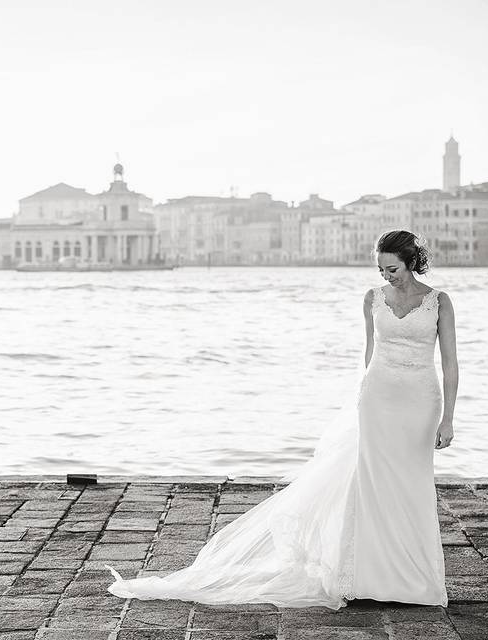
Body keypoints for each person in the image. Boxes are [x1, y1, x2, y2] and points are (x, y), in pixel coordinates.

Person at [106, 230, 457, 610]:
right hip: (377, 399)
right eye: (381, 268)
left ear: (411, 261)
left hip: (421, 401)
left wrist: (448, 419)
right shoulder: (373, 299)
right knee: (373, 487)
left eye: (393, 268)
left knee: (412, 487)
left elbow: (451, 364)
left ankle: (416, 580)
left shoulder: (439, 302)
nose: (386, 275)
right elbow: (368, 358)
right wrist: (358, 404)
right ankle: (371, 578)